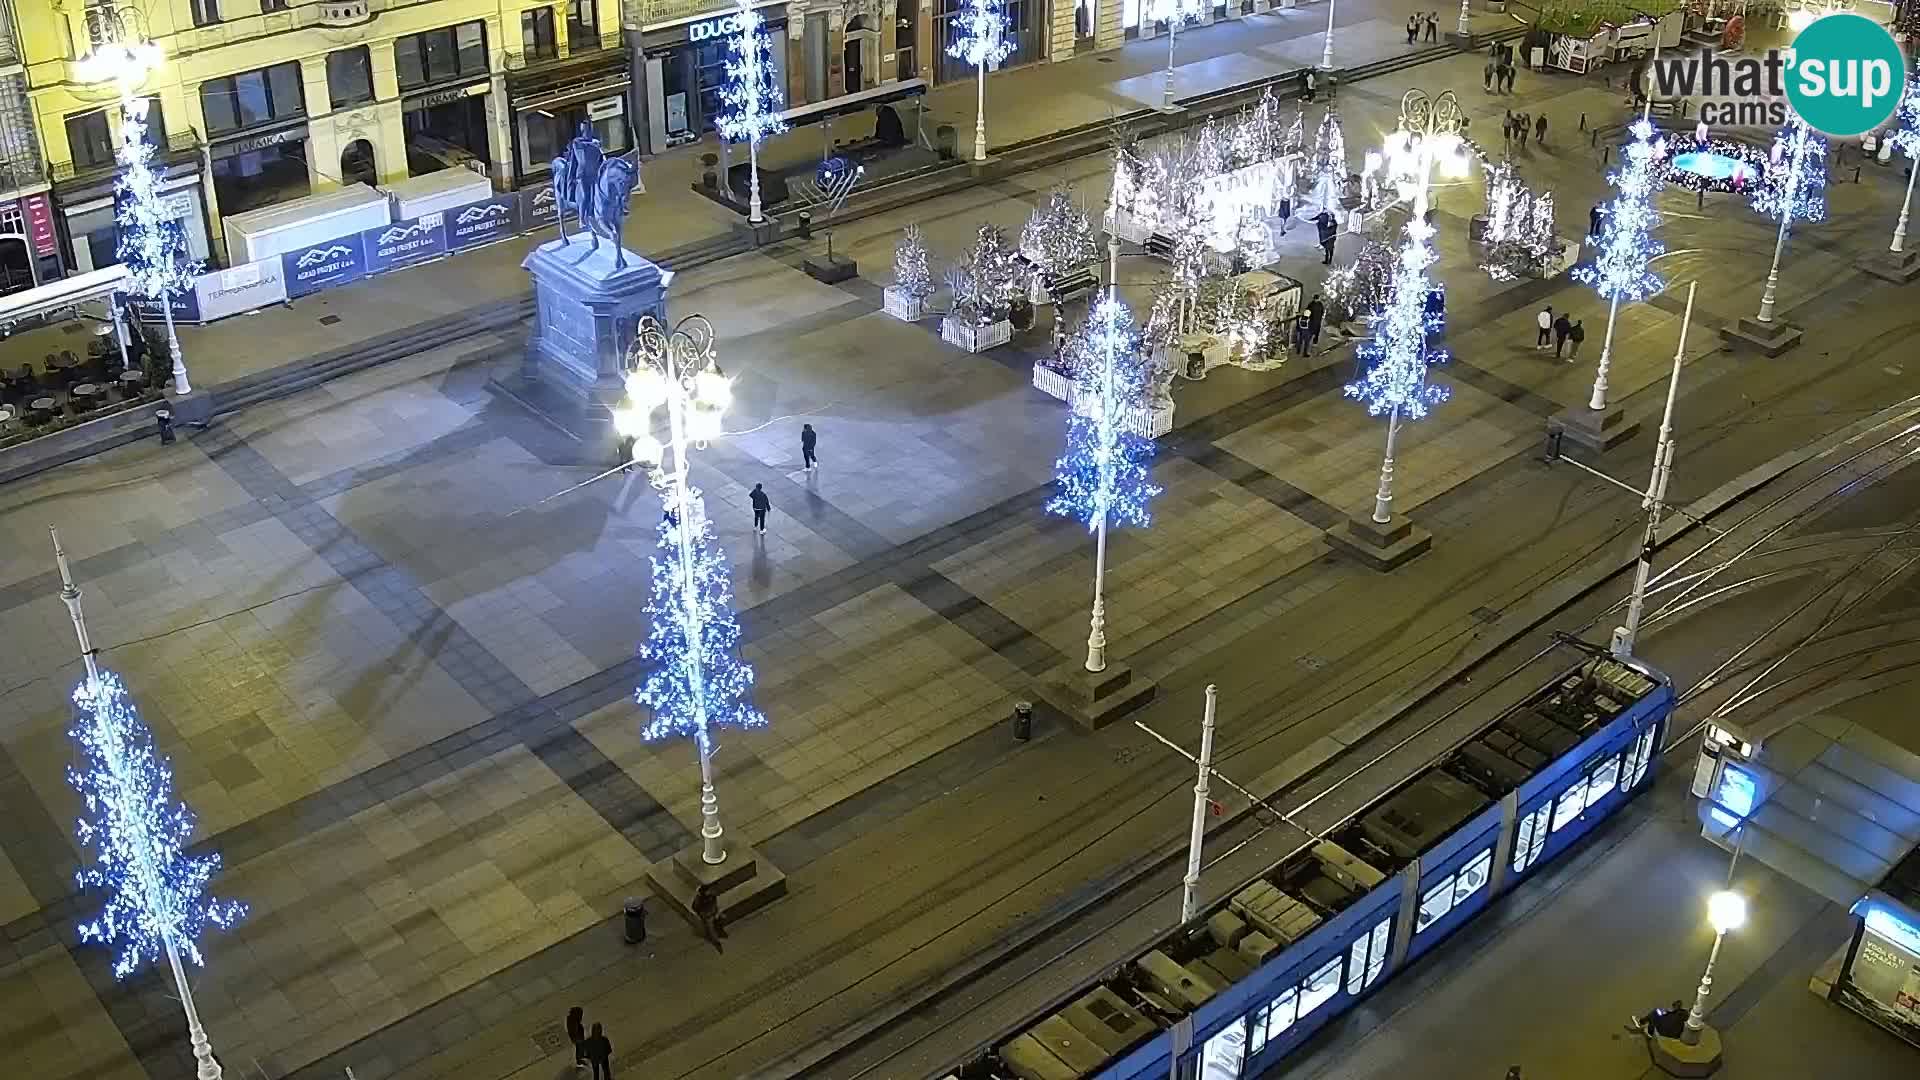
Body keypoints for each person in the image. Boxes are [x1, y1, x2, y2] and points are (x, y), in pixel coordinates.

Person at [692, 884, 728, 951]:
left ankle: (720, 931)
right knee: (711, 927)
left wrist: (717, 912)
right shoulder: (699, 899)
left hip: (714, 912)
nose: (710, 891)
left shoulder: (712, 895)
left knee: (721, 919)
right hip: (707, 916)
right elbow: (695, 907)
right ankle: (716, 942)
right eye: (708, 890)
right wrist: (703, 915)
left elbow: (715, 903)